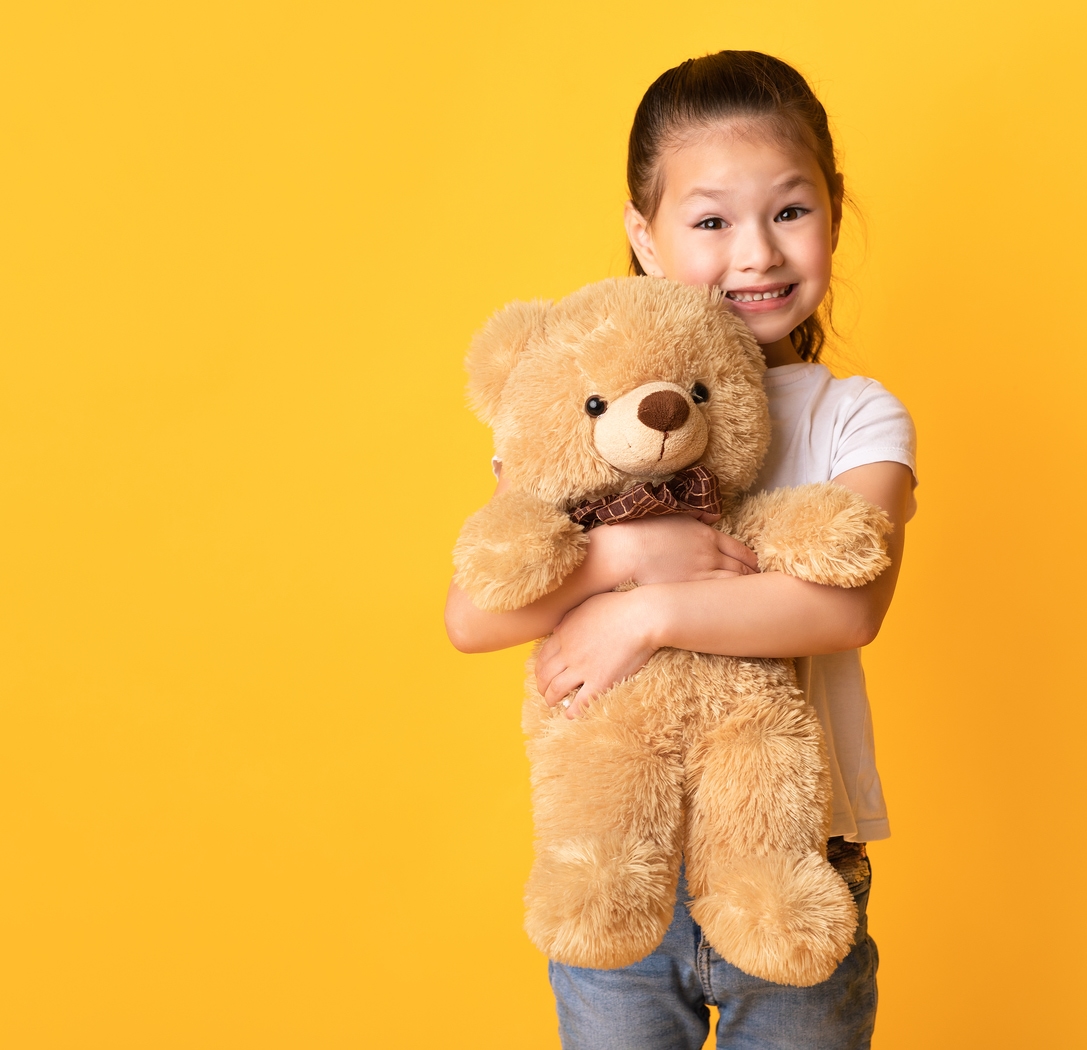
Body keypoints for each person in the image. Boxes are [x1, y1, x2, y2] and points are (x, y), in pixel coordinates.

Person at [444, 50, 917, 1050]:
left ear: (832, 211)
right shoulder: (580, 412)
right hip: (624, 871)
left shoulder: (854, 418)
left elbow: (845, 606)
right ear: (643, 237)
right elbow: (475, 613)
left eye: (789, 212)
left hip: (792, 869)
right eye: (710, 222)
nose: (755, 254)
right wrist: (623, 561)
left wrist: (643, 612)